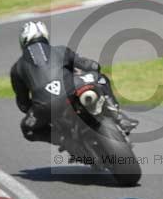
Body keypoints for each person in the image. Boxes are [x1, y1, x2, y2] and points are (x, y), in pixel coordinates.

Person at [10, 20, 138, 144]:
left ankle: (64, 140)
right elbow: (92, 66)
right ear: (45, 36)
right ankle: (119, 117)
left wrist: (39, 107)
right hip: (72, 89)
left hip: (44, 106)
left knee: (27, 129)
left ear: (23, 42)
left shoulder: (16, 68)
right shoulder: (60, 50)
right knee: (100, 78)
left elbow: (23, 104)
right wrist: (88, 70)